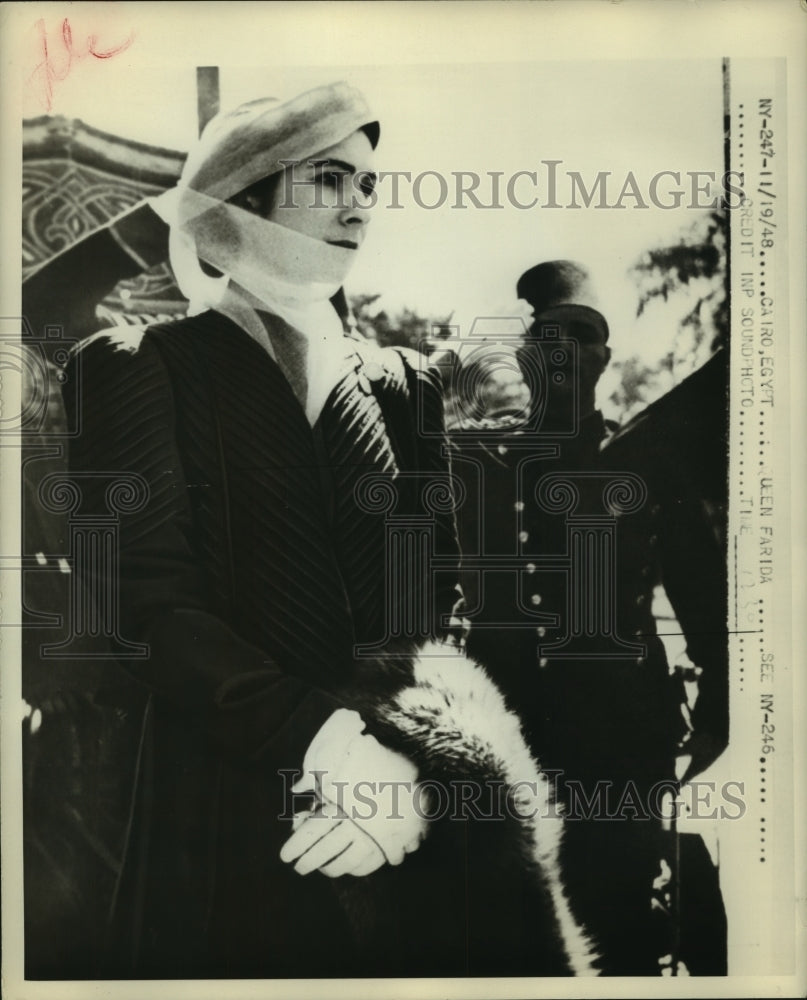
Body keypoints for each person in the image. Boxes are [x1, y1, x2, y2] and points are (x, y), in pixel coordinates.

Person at [57, 86, 595, 978]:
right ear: (244, 195)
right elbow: (142, 607)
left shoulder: (402, 386)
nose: (359, 207)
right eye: (329, 179)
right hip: (223, 810)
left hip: (406, 814)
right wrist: (328, 748)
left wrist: (413, 771)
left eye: (369, 185)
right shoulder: (136, 366)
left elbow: (433, 610)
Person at [448, 260, 728, 975]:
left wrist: (719, 712)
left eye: (582, 336)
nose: (565, 352)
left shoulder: (647, 464)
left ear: (605, 356)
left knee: (619, 930)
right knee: (507, 938)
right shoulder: (475, 467)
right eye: (547, 336)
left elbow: (703, 599)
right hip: (506, 741)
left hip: (620, 744)